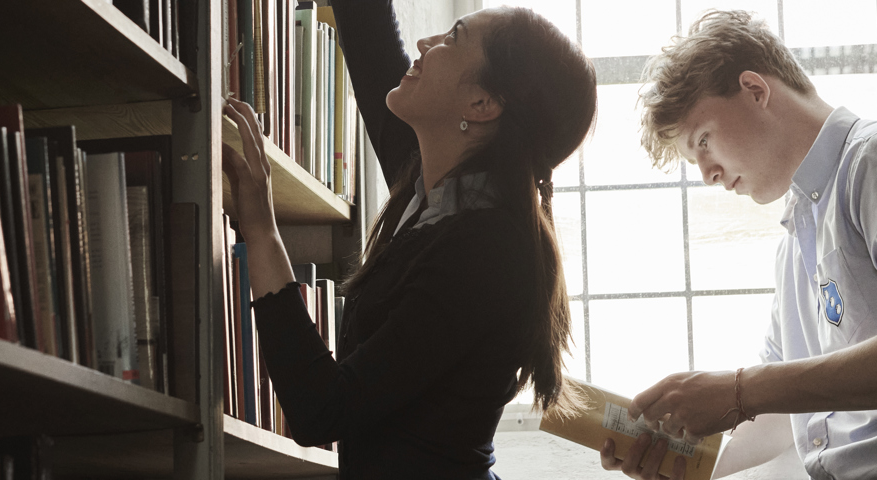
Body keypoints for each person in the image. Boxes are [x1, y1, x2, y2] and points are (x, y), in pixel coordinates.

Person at [597, 10, 877, 480]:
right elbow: (773, 413)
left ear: (755, 90)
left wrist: (739, 389)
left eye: (704, 140)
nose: (708, 174)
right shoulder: (793, 249)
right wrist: (680, 463)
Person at [218, 1, 596, 478]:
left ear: (482, 104)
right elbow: (370, 32)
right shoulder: (436, 191)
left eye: (453, 38)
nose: (426, 43)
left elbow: (320, 410)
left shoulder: (487, 252)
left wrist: (261, 228)